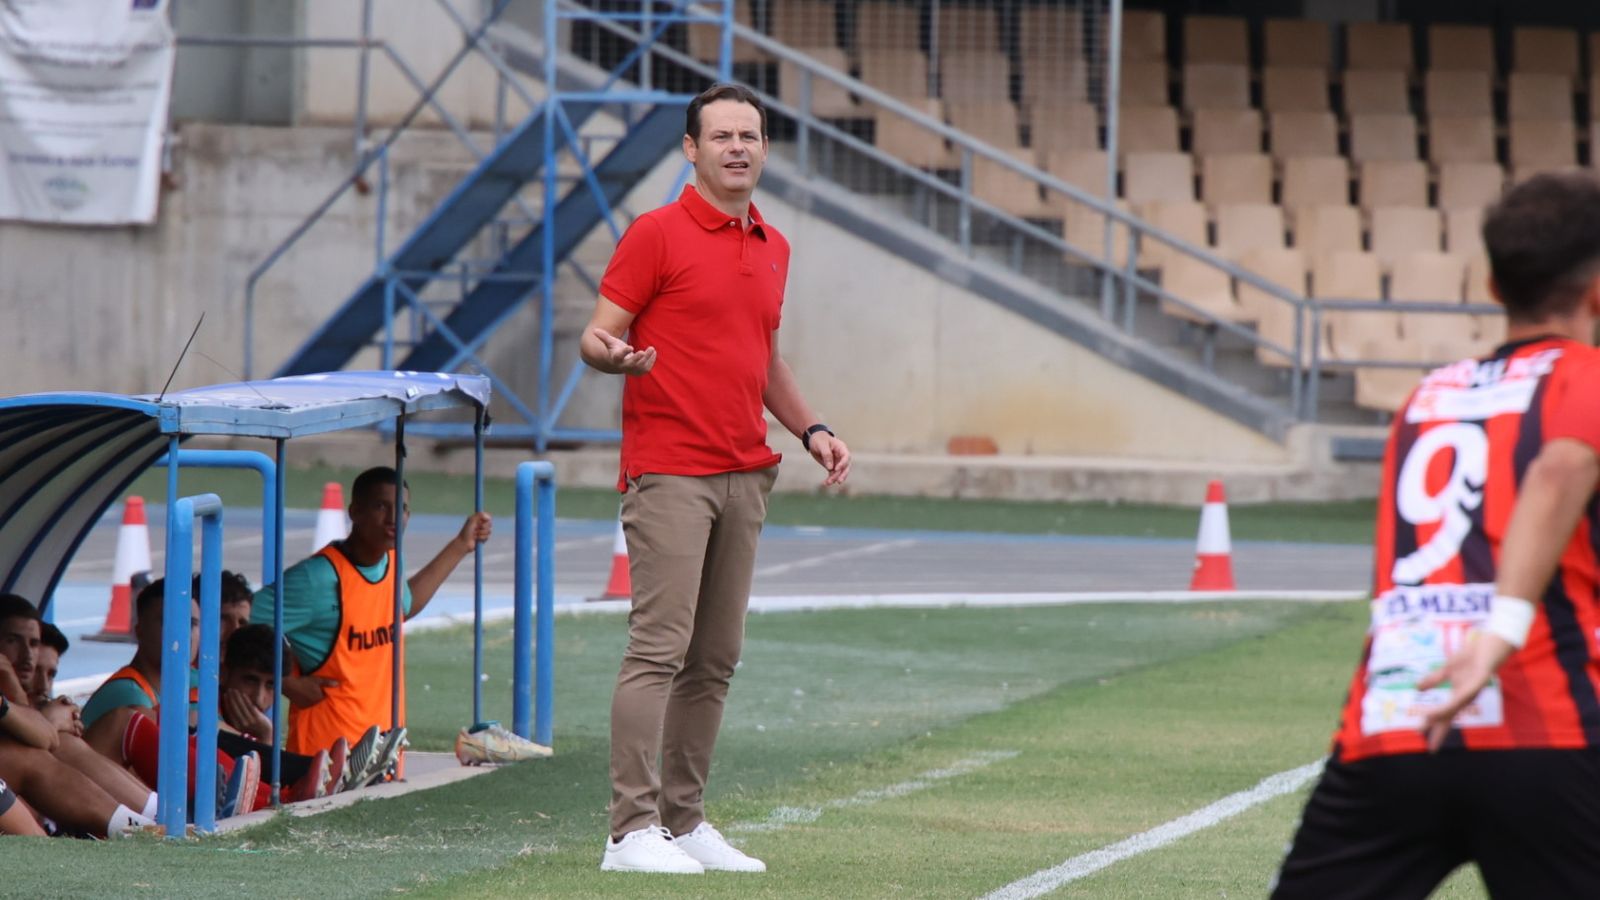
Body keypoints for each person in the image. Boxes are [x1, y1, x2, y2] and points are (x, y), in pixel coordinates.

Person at [1273, 171, 1600, 898]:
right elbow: (1561, 467)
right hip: (1543, 727)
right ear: (1596, 291)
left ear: (1491, 283)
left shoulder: (1427, 398)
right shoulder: (1587, 380)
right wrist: (1500, 629)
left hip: (1400, 722)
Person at [579, 82, 851, 875]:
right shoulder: (655, 234)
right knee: (657, 649)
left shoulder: (773, 244)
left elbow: (761, 355)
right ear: (690, 150)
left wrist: (813, 428)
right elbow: (597, 334)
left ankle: (683, 820)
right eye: (722, 135)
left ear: (765, 149)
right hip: (670, 471)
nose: (738, 147)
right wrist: (615, 356)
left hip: (745, 470)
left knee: (716, 656)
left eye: (751, 135)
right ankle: (629, 832)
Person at [251, 466, 490, 759]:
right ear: (355, 512)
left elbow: (402, 606)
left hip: (382, 753)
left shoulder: (390, 558)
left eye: (401, 508)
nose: (393, 519)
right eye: (380, 506)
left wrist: (460, 546)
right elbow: (238, 621)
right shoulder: (316, 579)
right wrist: (287, 683)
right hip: (324, 760)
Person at [80, 579, 198, 761]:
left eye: (191, 623)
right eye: (170, 621)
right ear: (139, 631)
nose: (183, 633)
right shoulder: (128, 693)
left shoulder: (183, 683)